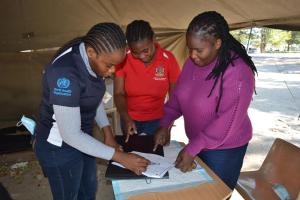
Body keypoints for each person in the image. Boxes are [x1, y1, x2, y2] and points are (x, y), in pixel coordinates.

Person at [34, 22, 150, 200]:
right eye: (109, 65)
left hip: (83, 137)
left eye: (116, 66)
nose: (112, 72)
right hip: (59, 147)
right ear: (91, 53)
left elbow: (92, 98)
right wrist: (120, 157)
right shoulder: (65, 74)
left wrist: (108, 132)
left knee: (88, 189)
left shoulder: (94, 57)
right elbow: (71, 135)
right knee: (69, 194)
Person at [153, 11, 257, 190]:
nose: (192, 55)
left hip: (225, 150)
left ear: (217, 43)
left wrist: (193, 148)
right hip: (198, 142)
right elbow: (179, 96)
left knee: (215, 192)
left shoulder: (237, 71)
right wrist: (166, 122)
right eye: (189, 48)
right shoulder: (192, 63)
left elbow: (226, 120)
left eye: (199, 50)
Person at [114, 20, 180, 142]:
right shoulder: (123, 59)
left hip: (158, 120)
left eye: (146, 50)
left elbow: (174, 98)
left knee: (155, 156)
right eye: (135, 52)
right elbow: (119, 94)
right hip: (129, 118)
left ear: (154, 39)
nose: (142, 56)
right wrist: (125, 117)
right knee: (132, 154)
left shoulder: (168, 60)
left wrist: (167, 126)